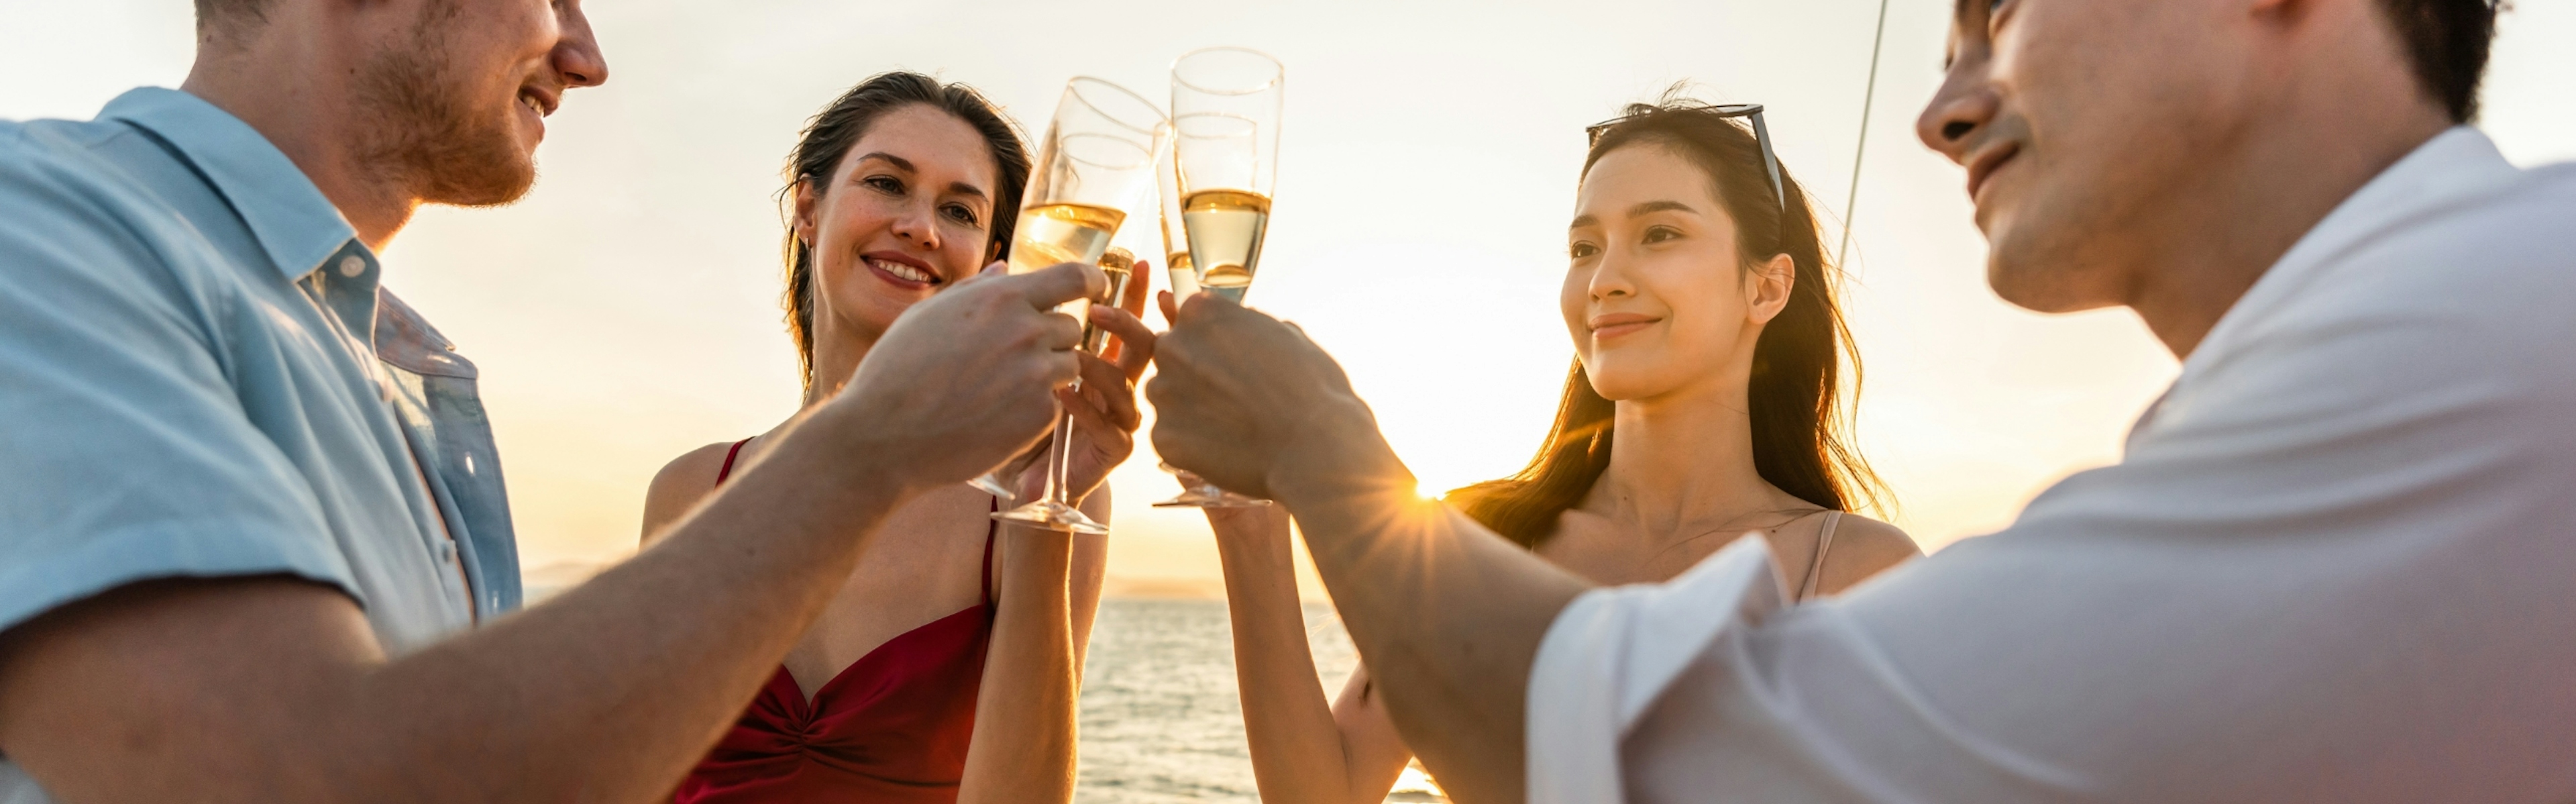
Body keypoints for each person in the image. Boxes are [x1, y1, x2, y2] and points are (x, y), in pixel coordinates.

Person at [1148, 0, 2576, 801]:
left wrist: (1311, 439)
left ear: (1768, 288)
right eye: (1582, 243)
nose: (1943, 108)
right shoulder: (2290, 429)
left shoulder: (2478, 351)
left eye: (2000, 9)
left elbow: (1692, 758)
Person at [0, 3, 1112, 802]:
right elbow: (296, 773)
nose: (586, 55)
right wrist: (865, 451)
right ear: (810, 210)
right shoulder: (39, 227)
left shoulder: (407, 378)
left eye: (962, 208)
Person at [1203, 98, 1919, 804]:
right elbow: (1326, 793)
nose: (1604, 278)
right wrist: (1249, 513)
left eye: (1660, 233)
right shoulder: (1483, 534)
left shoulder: (1860, 573)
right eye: (1584, 248)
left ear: (1767, 287)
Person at [643, 72, 1150, 804]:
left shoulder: (1047, 497)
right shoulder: (690, 491)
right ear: (809, 208)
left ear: (994, 260)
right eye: (886, 184)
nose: (922, 227)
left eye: (959, 211)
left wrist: (1041, 517)